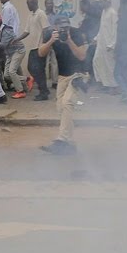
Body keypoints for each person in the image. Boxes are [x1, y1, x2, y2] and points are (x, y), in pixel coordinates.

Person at [37, 13, 89, 155]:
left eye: (66, 27)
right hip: (62, 76)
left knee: (67, 104)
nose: (64, 30)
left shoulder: (76, 33)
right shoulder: (51, 34)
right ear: (55, 27)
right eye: (61, 28)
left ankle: (61, 140)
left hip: (79, 74)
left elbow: (82, 56)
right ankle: (70, 143)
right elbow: (41, 53)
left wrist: (69, 41)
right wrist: (51, 41)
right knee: (61, 109)